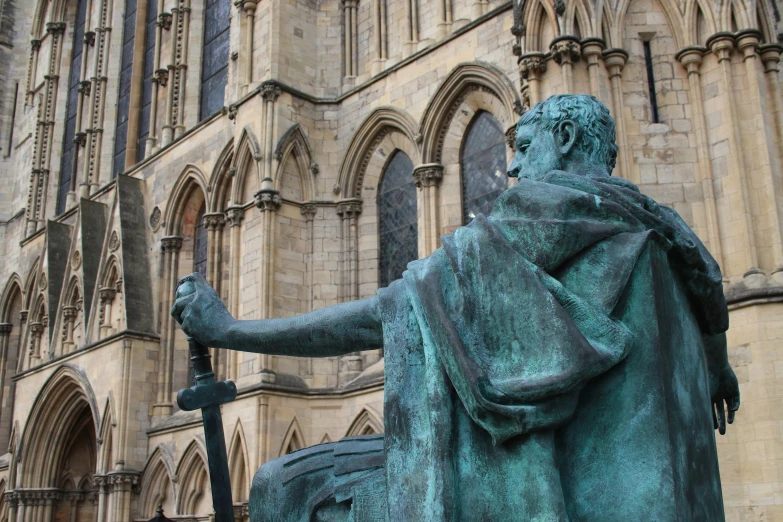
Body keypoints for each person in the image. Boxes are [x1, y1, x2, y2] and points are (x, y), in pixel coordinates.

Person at [172, 95, 740, 521]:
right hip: (632, 487)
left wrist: (231, 330)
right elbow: (712, 308)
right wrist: (718, 368)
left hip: (543, 484)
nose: (514, 169)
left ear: (565, 137)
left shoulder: (547, 214)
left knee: (282, 485)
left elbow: (383, 315)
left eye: (523, 147)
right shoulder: (669, 236)